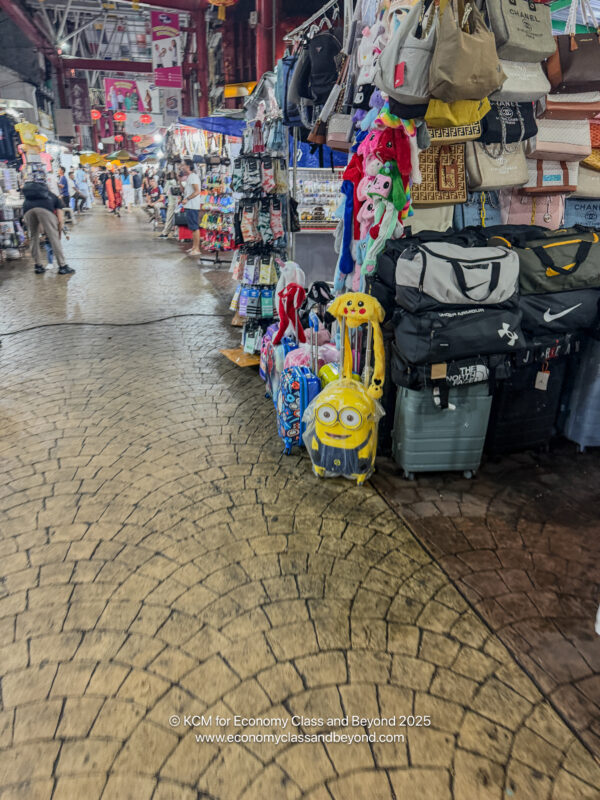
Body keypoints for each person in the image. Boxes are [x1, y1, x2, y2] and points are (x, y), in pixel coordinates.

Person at [22, 180, 74, 274]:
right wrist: (58, 234)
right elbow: (60, 219)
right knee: (53, 238)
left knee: (34, 237)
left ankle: (38, 266)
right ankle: (62, 266)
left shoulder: (30, 197)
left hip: (27, 209)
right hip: (44, 210)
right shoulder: (55, 198)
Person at [181, 160, 202, 256]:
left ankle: (197, 248)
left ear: (188, 166)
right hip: (190, 205)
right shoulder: (190, 177)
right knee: (192, 227)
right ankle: (194, 247)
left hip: (193, 205)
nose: (182, 167)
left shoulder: (193, 177)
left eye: (183, 165)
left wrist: (187, 199)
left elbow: (197, 191)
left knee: (194, 227)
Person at [158, 170, 180, 239]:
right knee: (177, 218)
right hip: (178, 202)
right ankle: (176, 233)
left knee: (169, 218)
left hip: (171, 202)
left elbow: (164, 191)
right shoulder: (177, 182)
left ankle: (165, 233)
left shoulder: (169, 182)